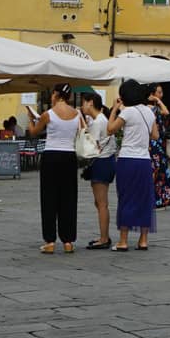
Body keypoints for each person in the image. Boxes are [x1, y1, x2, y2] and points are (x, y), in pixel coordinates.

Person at [27, 84, 83, 254]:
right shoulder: (77, 114)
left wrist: (31, 119)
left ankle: (50, 240)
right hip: (69, 156)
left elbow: (34, 132)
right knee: (69, 198)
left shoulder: (48, 114)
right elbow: (82, 131)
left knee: (49, 197)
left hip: (51, 156)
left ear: (57, 95)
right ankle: (68, 241)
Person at [110, 80, 158, 251]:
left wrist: (115, 109)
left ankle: (123, 240)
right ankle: (143, 239)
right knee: (144, 198)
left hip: (127, 159)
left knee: (126, 198)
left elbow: (110, 129)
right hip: (144, 160)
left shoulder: (128, 112)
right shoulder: (149, 111)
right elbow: (155, 135)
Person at [81, 92, 115, 249]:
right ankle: (103, 235)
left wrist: (82, 126)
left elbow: (90, 144)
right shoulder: (101, 119)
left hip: (101, 162)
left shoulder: (98, 122)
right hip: (106, 161)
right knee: (100, 202)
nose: (82, 106)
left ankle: (104, 238)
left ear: (90, 103)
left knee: (102, 203)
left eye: (84, 103)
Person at [147, 84, 170, 209]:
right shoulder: (148, 109)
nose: (161, 95)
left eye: (161, 92)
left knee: (161, 171)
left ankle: (163, 199)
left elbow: (167, 113)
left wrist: (158, 101)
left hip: (159, 143)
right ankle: (153, 198)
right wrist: (157, 101)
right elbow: (166, 112)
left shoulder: (156, 108)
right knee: (154, 170)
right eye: (159, 92)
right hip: (151, 143)